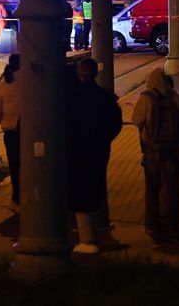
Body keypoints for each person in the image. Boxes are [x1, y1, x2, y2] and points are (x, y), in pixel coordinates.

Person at [68, 58, 123, 253]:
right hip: (99, 150)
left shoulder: (72, 98)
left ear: (79, 74)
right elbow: (116, 123)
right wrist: (104, 139)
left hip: (77, 151)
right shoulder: (105, 97)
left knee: (79, 191)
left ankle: (87, 239)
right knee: (96, 186)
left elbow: (65, 125)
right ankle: (100, 228)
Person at [132, 69, 179, 238]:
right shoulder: (175, 97)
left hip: (152, 150)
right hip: (172, 149)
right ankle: (172, 223)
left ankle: (152, 224)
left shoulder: (146, 98)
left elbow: (136, 121)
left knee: (152, 188)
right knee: (172, 187)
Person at [0, 54, 21, 213]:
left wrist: (5, 120)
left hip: (12, 132)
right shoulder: (34, 81)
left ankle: (17, 200)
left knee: (15, 166)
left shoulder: (4, 83)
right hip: (34, 131)